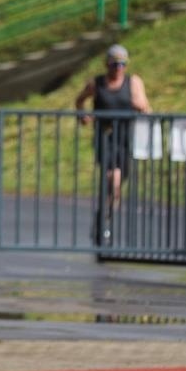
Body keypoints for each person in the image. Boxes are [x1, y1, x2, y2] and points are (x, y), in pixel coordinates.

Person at [73, 44, 151, 241]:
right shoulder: (97, 84)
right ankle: (105, 219)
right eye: (115, 64)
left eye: (123, 64)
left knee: (117, 184)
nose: (118, 68)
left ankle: (105, 214)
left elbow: (146, 108)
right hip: (105, 136)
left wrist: (139, 106)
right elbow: (79, 101)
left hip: (125, 137)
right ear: (107, 64)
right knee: (112, 178)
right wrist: (83, 117)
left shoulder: (133, 83)